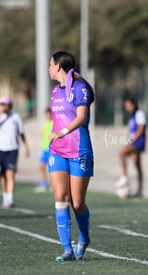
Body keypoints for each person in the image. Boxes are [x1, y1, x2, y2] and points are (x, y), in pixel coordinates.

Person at [48, 51, 94, 262]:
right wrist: (55, 134)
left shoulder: (80, 87)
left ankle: (84, 238)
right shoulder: (54, 91)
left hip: (78, 149)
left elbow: (81, 116)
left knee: (77, 203)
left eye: (50, 64)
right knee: (60, 198)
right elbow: (59, 119)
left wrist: (62, 132)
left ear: (58, 66)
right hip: (57, 150)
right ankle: (67, 249)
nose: (48, 68)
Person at [0, 96, 30, 208]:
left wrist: (26, 146)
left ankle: (10, 199)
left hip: (12, 149)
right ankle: (5, 197)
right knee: (2, 175)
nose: (4, 106)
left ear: (10, 106)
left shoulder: (16, 117)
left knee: (10, 173)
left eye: (6, 104)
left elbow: (21, 133)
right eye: (2, 104)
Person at [116, 97, 147, 198]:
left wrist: (132, 140)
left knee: (121, 153)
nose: (127, 108)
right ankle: (140, 190)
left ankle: (124, 177)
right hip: (134, 141)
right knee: (137, 165)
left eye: (129, 105)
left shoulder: (140, 114)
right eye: (126, 106)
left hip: (138, 142)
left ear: (134, 104)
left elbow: (141, 129)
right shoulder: (132, 116)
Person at [34, 107, 54, 193]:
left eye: (48, 113)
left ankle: (53, 185)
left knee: (52, 169)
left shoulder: (54, 123)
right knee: (41, 167)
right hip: (44, 149)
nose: (47, 115)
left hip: (52, 149)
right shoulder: (45, 123)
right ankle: (43, 184)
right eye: (46, 114)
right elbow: (42, 135)